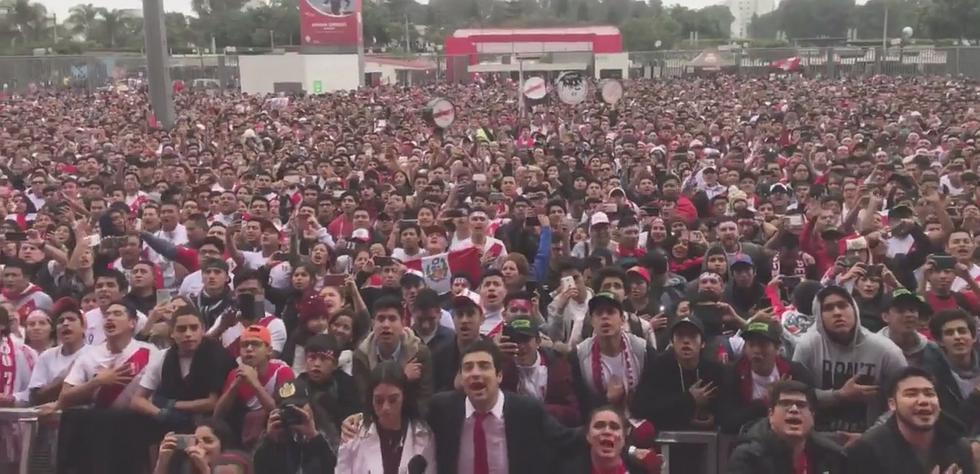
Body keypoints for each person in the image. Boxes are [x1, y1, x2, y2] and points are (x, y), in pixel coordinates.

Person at [425, 339, 581, 474]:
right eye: (468, 367)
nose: (475, 373)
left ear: (499, 375)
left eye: (484, 366)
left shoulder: (526, 411)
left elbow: (566, 441)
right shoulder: (442, 409)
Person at [791, 285, 908, 433]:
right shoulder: (807, 346)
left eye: (843, 305)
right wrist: (838, 396)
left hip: (872, 439)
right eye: (828, 308)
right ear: (819, 317)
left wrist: (871, 437)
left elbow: (903, 401)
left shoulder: (886, 351)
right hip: (817, 437)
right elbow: (794, 397)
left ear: (855, 310)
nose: (837, 313)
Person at [845, 366, 977, 474]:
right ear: (892, 404)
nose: (923, 401)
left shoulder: (959, 447)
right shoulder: (867, 449)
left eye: (929, 394)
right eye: (911, 394)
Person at [132, 304, 237, 433]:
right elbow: (137, 400)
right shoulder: (162, 356)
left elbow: (212, 402)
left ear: (203, 330)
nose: (188, 334)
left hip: (211, 424)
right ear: (172, 333)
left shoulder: (218, 355)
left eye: (194, 328)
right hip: (172, 424)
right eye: (181, 329)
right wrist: (161, 413)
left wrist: (171, 405)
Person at [632, 316, 732, 432]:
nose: (686, 341)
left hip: (708, 438)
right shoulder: (658, 367)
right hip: (668, 438)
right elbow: (640, 409)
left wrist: (714, 418)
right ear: (671, 342)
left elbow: (727, 410)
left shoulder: (715, 371)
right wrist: (689, 400)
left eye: (692, 336)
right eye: (680, 335)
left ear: (703, 343)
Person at [336, 361, 436, 474]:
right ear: (371, 399)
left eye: (393, 400)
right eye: (379, 401)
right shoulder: (354, 431)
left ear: (404, 397)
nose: (386, 408)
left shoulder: (423, 435)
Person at [727, 380, 846, 474]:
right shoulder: (748, 457)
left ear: (812, 417)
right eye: (785, 404)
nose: (794, 409)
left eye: (801, 405)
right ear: (771, 415)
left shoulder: (830, 455)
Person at [569, 292, 654, 419]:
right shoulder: (578, 356)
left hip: (637, 418)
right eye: (599, 313)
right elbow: (581, 403)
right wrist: (607, 400)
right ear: (592, 321)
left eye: (610, 312)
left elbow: (652, 395)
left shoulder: (643, 350)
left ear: (622, 319)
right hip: (597, 421)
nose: (604, 317)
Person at [722, 318, 814, 434]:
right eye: (751, 345)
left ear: (777, 348)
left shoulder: (796, 373)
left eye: (763, 345)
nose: (756, 350)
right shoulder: (733, 373)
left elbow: (810, 415)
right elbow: (728, 422)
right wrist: (767, 401)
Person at [214, 325, 295, 448]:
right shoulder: (235, 374)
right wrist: (234, 386)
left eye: (255, 344)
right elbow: (218, 415)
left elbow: (280, 412)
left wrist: (254, 383)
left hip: (275, 434)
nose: (249, 349)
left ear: (269, 350)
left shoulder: (283, 371)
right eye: (244, 345)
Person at [353, 296, 434, 415]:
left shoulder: (419, 352)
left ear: (403, 323)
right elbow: (364, 399)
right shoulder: (361, 355)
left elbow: (424, 400)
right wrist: (402, 378)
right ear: (372, 324)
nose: (386, 325)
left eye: (392, 319)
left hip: (410, 417)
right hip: (374, 419)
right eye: (381, 319)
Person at [500, 318, 580, 427]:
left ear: (538, 341)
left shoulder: (558, 367)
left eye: (525, 340)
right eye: (515, 341)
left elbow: (573, 413)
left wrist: (538, 411)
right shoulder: (501, 369)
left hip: (552, 430)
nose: (521, 346)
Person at [252, 378, 337, 474]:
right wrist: (270, 441)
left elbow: (336, 467)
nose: (294, 412)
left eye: (299, 406)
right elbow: (259, 469)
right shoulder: (273, 433)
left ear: (310, 405)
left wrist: (314, 436)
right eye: (287, 409)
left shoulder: (325, 430)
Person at [921, 309, 980, 437]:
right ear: (940, 341)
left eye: (962, 331)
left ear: (973, 337)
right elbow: (951, 425)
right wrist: (976, 395)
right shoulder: (933, 376)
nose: (957, 337)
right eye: (949, 333)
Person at [558, 406, 663, 474]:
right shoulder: (566, 470)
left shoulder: (640, 470)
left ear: (623, 439)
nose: (607, 431)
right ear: (587, 436)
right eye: (599, 426)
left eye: (614, 427)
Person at [29, 297, 86, 406]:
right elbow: (34, 397)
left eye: (71, 319)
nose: (65, 323)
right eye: (60, 321)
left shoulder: (94, 354)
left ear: (83, 327)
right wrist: (65, 379)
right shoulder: (47, 356)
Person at [154, 419, 241, 474]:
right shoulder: (187, 465)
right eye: (196, 441)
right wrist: (162, 462)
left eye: (208, 441)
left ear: (223, 444)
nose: (200, 445)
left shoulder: (231, 467)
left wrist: (204, 470)